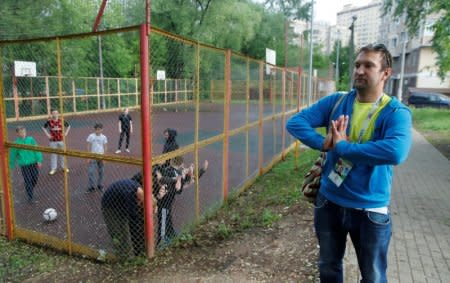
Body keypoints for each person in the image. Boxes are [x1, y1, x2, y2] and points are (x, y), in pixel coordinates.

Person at [286, 43, 412, 282]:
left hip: (369, 209)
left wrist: (343, 147)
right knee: (328, 268)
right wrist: (323, 142)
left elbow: (396, 152)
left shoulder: (396, 112)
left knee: (373, 276)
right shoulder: (337, 102)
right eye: (357, 65)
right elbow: (295, 122)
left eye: (368, 66)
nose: (360, 70)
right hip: (329, 201)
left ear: (386, 73)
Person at [154, 156, 208, 247]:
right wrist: (201, 171)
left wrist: (198, 171)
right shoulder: (174, 172)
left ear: (171, 161)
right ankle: (161, 241)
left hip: (167, 201)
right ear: (181, 164)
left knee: (167, 218)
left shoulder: (171, 171)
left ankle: (170, 235)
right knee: (163, 220)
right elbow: (185, 182)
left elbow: (191, 177)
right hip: (163, 202)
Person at [101, 173, 145, 259]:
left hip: (121, 205)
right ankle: (120, 255)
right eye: (139, 202)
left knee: (125, 231)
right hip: (109, 207)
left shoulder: (138, 189)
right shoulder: (129, 193)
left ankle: (126, 255)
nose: (139, 204)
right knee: (116, 231)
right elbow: (133, 215)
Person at [9, 126, 43, 202]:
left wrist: (39, 160)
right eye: (20, 132)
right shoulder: (16, 144)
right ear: (17, 133)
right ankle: (30, 197)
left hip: (33, 163)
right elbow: (12, 156)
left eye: (24, 132)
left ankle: (29, 188)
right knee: (28, 180)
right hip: (24, 165)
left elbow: (36, 149)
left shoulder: (31, 140)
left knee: (35, 178)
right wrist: (10, 167)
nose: (23, 133)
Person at [42, 109, 70, 175]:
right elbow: (43, 128)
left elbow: (68, 126)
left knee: (63, 154)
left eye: (56, 113)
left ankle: (64, 167)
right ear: (52, 114)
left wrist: (65, 133)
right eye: (53, 113)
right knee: (53, 155)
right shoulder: (49, 121)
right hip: (53, 140)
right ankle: (53, 169)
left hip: (61, 140)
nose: (55, 114)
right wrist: (48, 135)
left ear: (58, 114)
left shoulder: (61, 120)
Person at [86, 123, 108, 192]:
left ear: (102, 129)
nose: (98, 131)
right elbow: (88, 146)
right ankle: (92, 186)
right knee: (91, 172)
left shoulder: (104, 137)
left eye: (99, 129)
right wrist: (89, 156)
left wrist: (104, 157)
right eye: (96, 129)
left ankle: (100, 185)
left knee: (101, 172)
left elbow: (105, 147)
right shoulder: (91, 136)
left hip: (101, 156)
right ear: (94, 130)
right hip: (93, 156)